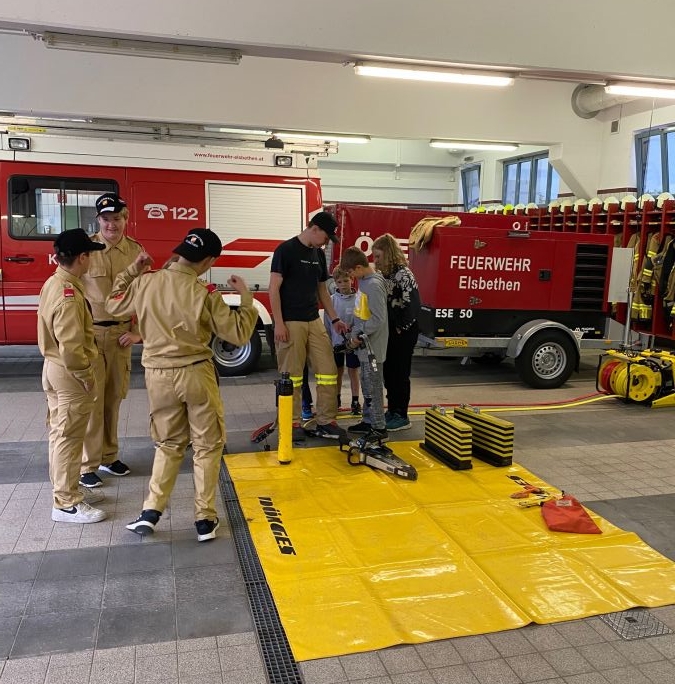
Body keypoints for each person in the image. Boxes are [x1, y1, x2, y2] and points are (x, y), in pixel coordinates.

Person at [106, 228, 257, 541]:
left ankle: (151, 511)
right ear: (208, 261)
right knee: (207, 445)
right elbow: (239, 334)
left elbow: (112, 305)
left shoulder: (146, 282)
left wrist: (133, 270)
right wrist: (246, 299)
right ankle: (204, 519)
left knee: (169, 444)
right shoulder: (205, 293)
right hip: (195, 374)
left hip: (158, 377)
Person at [38, 228, 108, 524]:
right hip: (69, 373)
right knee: (68, 437)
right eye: (89, 254)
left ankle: (68, 490)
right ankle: (66, 503)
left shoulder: (55, 282)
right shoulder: (69, 295)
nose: (91, 260)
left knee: (60, 433)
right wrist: (86, 375)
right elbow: (71, 348)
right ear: (81, 258)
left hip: (54, 370)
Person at [79, 193, 144, 489]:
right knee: (93, 399)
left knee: (114, 398)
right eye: (105, 219)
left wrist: (139, 332)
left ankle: (109, 455)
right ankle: (88, 464)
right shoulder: (87, 251)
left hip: (120, 336)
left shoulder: (136, 251)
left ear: (126, 219)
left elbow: (143, 295)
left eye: (116, 219)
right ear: (98, 221)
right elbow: (75, 294)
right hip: (92, 334)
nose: (111, 225)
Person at [269, 211, 348, 441]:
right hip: (290, 321)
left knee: (328, 371)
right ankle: (291, 422)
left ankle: (326, 421)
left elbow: (322, 290)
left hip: (313, 319)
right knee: (292, 377)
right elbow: (274, 288)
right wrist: (279, 324)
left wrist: (334, 320)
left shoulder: (318, 255)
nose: (326, 242)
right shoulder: (285, 251)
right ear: (314, 229)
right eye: (326, 237)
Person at [372, 233, 421, 432]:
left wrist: (402, 326)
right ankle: (392, 409)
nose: (375, 260)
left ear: (388, 253)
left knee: (400, 373)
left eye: (378, 256)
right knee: (390, 373)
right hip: (390, 330)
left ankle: (401, 414)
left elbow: (413, 304)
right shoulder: (385, 274)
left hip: (403, 331)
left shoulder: (403, 274)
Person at [339, 247, 389, 442]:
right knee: (367, 386)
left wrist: (357, 336)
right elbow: (363, 311)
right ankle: (369, 421)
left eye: (350, 273)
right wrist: (353, 326)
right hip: (364, 345)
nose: (350, 278)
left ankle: (379, 428)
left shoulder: (374, 285)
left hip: (372, 348)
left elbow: (378, 319)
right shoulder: (364, 281)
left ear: (358, 267)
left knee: (373, 388)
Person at [323, 266, 361, 415]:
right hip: (336, 343)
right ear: (335, 283)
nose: (343, 284)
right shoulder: (331, 301)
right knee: (337, 371)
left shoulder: (358, 299)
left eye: (346, 280)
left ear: (352, 280)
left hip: (353, 343)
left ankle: (355, 400)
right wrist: (329, 341)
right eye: (339, 282)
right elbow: (327, 323)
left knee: (353, 371)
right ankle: (336, 399)